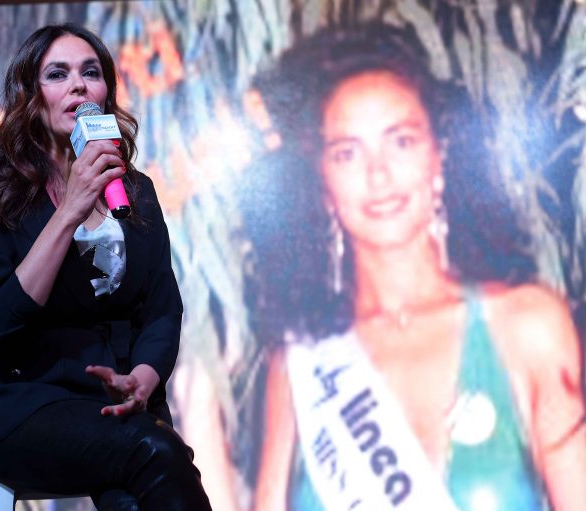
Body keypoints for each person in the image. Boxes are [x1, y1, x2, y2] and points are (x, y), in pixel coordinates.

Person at [248, 25, 586, 511]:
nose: (378, 174)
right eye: (347, 153)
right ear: (321, 182)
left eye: (401, 141)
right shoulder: (302, 360)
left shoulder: (529, 326)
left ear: (438, 154)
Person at [0, 23, 212, 511]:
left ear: (105, 95)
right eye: (58, 74)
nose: (78, 85)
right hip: (23, 405)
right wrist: (70, 210)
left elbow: (160, 308)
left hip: (116, 407)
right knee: (154, 451)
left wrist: (144, 377)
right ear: (31, 96)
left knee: (135, 493)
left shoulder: (135, 192)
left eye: (90, 73)